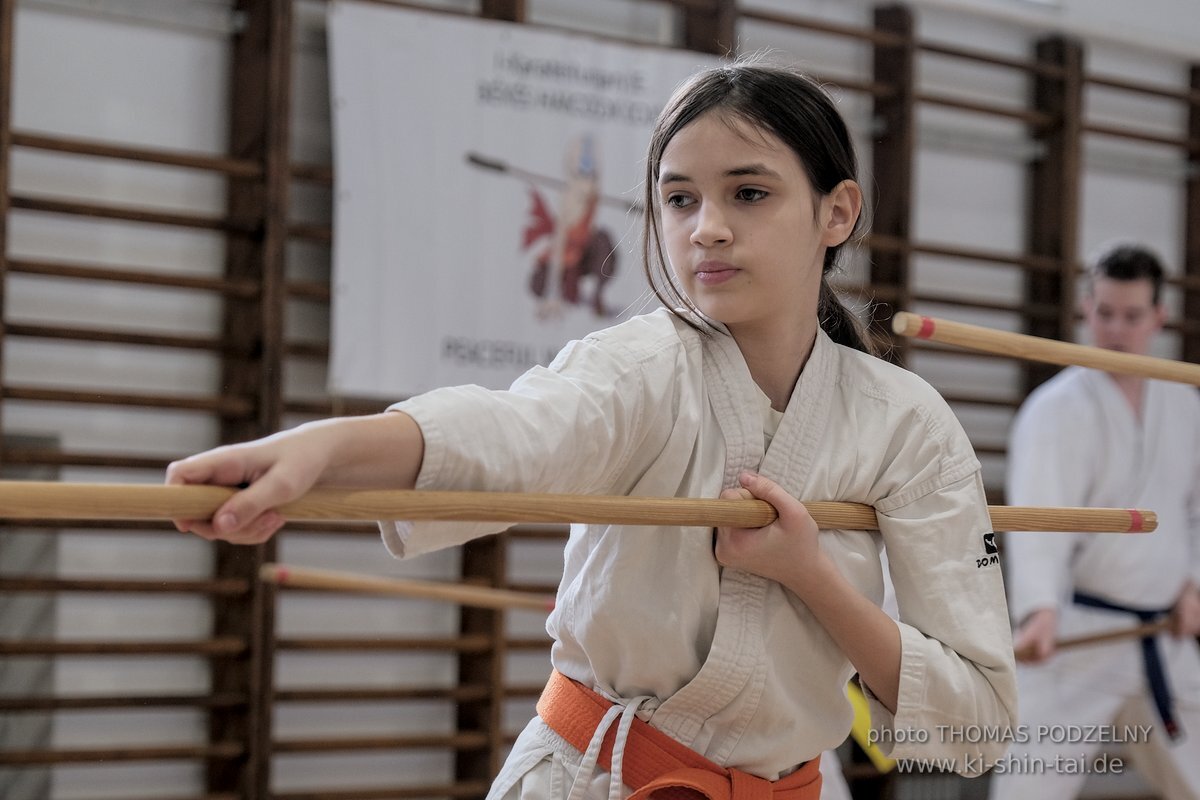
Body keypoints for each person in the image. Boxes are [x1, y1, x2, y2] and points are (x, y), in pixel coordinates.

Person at [167, 60, 1016, 797]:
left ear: (837, 213)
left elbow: (978, 720)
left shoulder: (909, 427)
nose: (706, 227)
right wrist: (326, 448)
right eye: (678, 199)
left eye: (748, 193)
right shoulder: (640, 368)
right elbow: (514, 434)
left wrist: (813, 575)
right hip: (592, 780)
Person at [990, 243, 1200, 800]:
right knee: (1029, 791)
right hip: (1078, 632)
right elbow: (1039, 521)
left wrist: (1194, 586)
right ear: (1086, 309)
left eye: (1132, 316)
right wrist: (1040, 610)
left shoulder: (1184, 404)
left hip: (1162, 633)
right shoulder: (1056, 409)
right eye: (1105, 313)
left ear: (1159, 316)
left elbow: (1198, 512)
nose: (1116, 330)